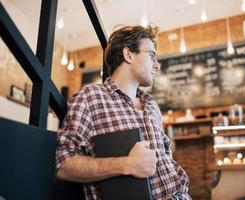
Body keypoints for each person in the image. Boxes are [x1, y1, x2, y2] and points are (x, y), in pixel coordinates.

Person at [56, 24, 190, 200]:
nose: (157, 65)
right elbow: (64, 166)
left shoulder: (152, 106)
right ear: (128, 55)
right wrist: (127, 164)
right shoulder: (90, 98)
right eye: (152, 56)